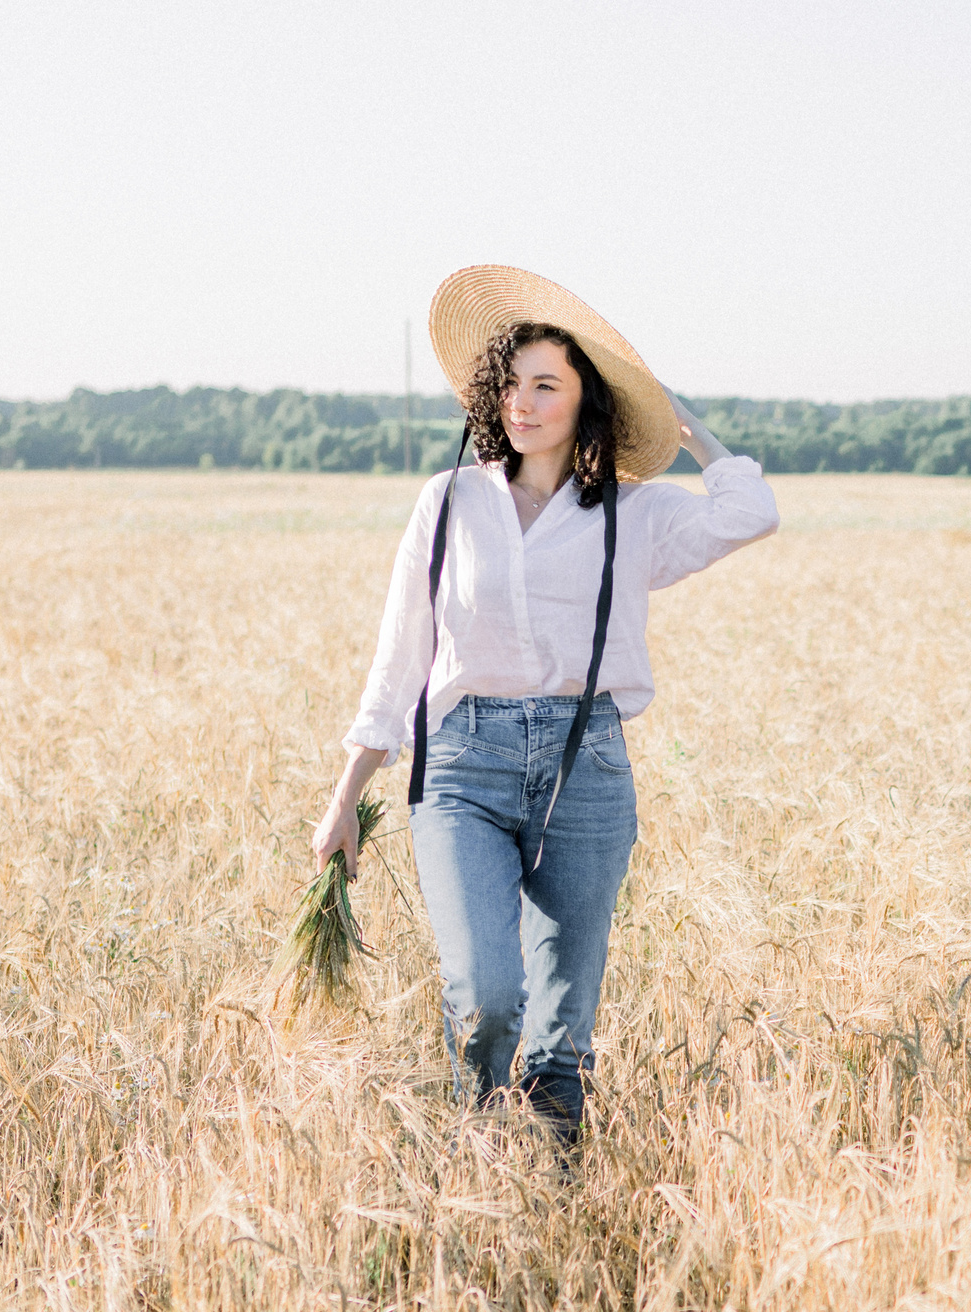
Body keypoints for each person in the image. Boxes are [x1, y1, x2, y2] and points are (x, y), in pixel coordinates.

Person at [311, 266, 778, 1144]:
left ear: (584, 403)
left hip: (586, 767)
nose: (521, 404)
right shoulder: (447, 502)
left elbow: (751, 512)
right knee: (486, 998)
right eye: (511, 383)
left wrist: (687, 426)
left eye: (546, 386)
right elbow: (401, 655)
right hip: (461, 766)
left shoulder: (635, 518)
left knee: (562, 1042)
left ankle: (548, 1194)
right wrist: (347, 796)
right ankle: (481, 1161)